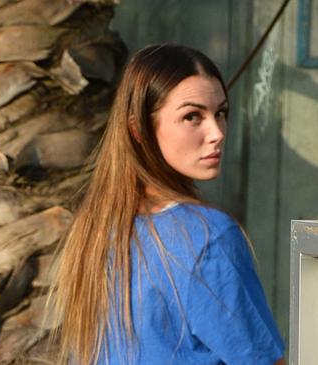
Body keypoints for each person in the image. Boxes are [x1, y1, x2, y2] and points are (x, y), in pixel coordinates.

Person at [48, 44, 285, 364]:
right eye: (192, 116)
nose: (216, 133)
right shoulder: (206, 236)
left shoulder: (93, 228)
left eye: (221, 113)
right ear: (139, 129)